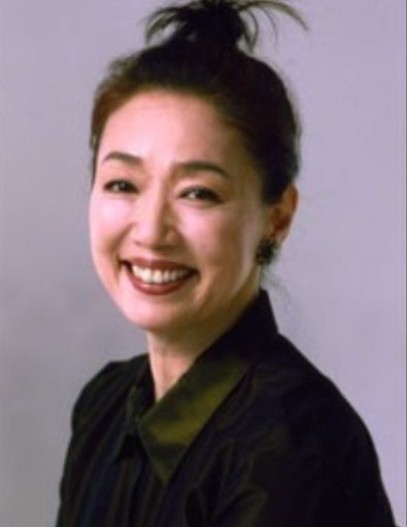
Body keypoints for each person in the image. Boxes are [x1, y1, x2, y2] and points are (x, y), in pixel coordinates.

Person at [56, 0, 395, 525]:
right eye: (123, 184)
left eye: (198, 193)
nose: (150, 231)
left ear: (277, 217)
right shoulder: (104, 405)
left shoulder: (296, 446)